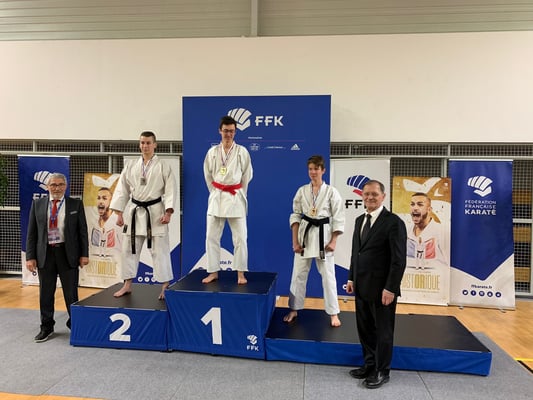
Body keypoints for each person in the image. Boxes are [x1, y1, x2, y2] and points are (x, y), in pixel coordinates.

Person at [346, 180, 407, 389]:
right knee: (365, 329)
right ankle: (369, 365)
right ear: (362, 196)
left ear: (383, 196)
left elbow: (399, 260)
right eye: (366, 194)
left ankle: (382, 371)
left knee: (383, 331)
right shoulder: (359, 220)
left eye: (374, 194)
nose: (370, 197)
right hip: (361, 286)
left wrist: (391, 288)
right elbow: (356, 252)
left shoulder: (394, 222)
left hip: (383, 290)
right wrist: (351, 278)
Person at [110, 131, 177, 300]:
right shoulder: (131, 165)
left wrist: (168, 212)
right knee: (128, 250)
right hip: (134, 211)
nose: (145, 146)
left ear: (155, 145)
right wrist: (119, 213)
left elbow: (170, 189)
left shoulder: (163, 166)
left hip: (155, 212)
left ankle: (165, 286)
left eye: (148, 143)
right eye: (142, 143)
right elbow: (122, 190)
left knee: (160, 251)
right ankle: (127, 284)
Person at [26, 172, 89, 342]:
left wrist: (84, 254)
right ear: (47, 187)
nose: (57, 188)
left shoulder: (75, 204)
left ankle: (75, 324)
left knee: (71, 293)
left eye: (60, 184)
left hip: (67, 254)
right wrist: (30, 257)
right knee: (46, 293)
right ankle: (46, 326)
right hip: (45, 254)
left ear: (65, 186)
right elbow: (32, 233)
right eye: (53, 185)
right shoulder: (38, 204)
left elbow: (82, 231)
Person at [283, 155, 344, 327]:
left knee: (328, 276)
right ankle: (294, 309)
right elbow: (295, 216)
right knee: (298, 274)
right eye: (310, 169)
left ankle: (333, 313)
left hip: (324, 236)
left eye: (316, 169)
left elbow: (338, 217)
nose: (313, 172)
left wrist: (334, 241)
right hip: (305, 235)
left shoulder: (331, 192)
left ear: (323, 170)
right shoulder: (302, 191)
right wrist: (295, 241)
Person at [202, 115, 253, 284]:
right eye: (225, 131)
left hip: (235, 197)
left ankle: (240, 273)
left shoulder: (242, 152)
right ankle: (213, 272)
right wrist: (216, 191)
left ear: (235, 132)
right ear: (220, 131)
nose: (228, 134)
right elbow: (208, 175)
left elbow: (247, 176)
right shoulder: (212, 152)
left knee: (240, 238)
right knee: (211, 237)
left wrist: (239, 191)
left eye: (231, 131)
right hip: (217, 196)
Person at [407, 192, 448, 267]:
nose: (415, 208)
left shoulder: (442, 232)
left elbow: (450, 264)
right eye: (412, 204)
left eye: (420, 204)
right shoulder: (406, 232)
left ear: (429, 210)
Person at [90, 187, 121, 257]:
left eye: (104, 198)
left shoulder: (118, 222)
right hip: (96, 261)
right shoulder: (93, 221)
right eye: (98, 198)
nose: (100, 201)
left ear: (111, 201)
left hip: (115, 261)